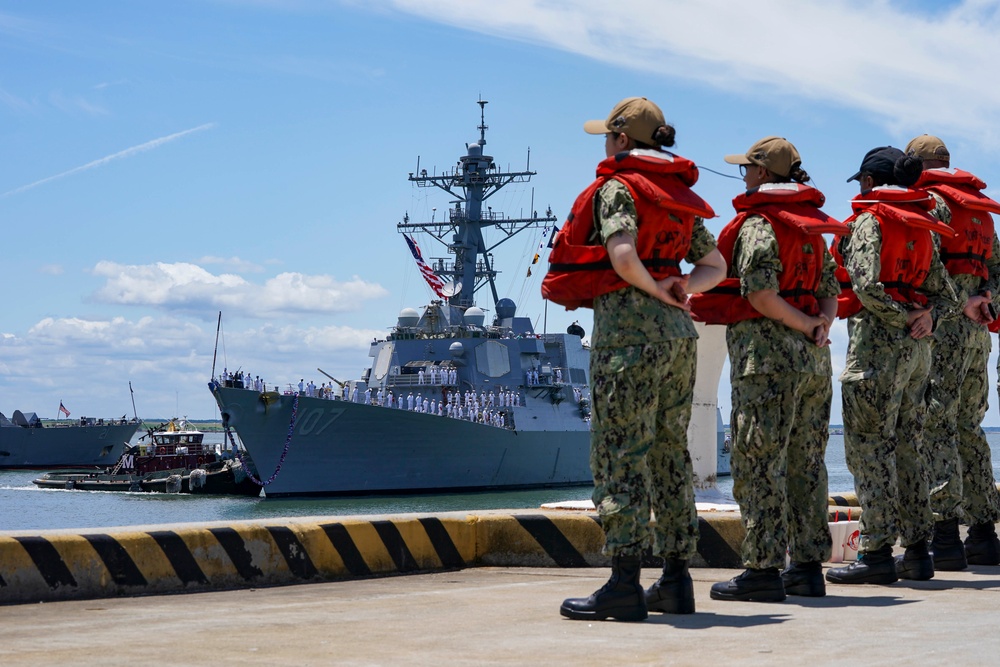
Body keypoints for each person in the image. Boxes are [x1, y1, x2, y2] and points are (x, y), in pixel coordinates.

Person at [546, 97, 726, 621]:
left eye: (608, 135)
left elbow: (622, 256)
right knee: (671, 456)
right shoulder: (678, 196)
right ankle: (675, 580)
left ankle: (624, 583)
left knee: (620, 457)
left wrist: (651, 288)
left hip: (628, 340)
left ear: (623, 139)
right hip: (678, 340)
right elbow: (713, 264)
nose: (605, 144)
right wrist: (680, 288)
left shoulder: (619, 188)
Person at [691, 137, 842, 601]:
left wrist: (800, 324)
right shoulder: (813, 228)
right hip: (814, 363)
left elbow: (759, 295)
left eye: (746, 170)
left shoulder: (758, 225)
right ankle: (808, 567)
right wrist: (819, 326)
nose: (745, 178)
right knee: (806, 465)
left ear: (760, 173)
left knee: (759, 463)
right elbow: (831, 291)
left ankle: (762, 570)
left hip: (767, 361)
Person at [826, 146, 961, 585]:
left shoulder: (870, 220)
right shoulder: (925, 229)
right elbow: (948, 295)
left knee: (870, 450)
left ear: (869, 181)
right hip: (918, 354)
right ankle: (918, 552)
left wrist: (901, 318)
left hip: (876, 352)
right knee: (909, 447)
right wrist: (927, 318)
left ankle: (877, 552)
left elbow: (864, 284)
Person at [906, 134, 1000, 569]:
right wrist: (985, 300)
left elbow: (926, 262)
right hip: (978, 331)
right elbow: (995, 268)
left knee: (936, 427)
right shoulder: (981, 211)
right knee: (969, 427)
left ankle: (945, 536)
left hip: (941, 328)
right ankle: (983, 533)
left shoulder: (932, 202)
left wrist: (956, 302)